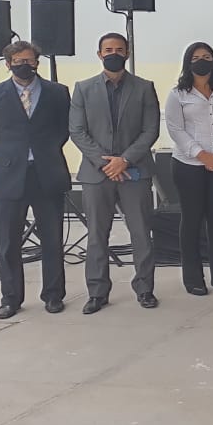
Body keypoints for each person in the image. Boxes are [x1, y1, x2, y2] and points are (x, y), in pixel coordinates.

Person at [0, 40, 71, 319]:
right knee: (8, 243)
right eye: (18, 62)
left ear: (37, 62)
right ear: (8, 64)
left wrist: (44, 153)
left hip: (47, 173)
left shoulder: (57, 92)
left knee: (52, 239)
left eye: (29, 61)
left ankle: (53, 295)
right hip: (9, 176)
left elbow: (63, 130)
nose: (24, 66)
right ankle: (10, 298)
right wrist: (10, 157)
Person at [68, 32, 162, 314]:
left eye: (119, 49)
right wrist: (106, 163)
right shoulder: (83, 89)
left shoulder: (144, 87)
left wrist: (125, 160)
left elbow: (150, 130)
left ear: (127, 53)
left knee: (141, 234)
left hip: (135, 172)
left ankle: (144, 289)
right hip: (96, 174)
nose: (113, 54)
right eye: (108, 50)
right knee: (97, 235)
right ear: (99, 54)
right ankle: (97, 293)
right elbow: (77, 130)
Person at [164, 41, 213, 295]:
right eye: (197, 57)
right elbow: (175, 129)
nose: (202, 61)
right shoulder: (178, 94)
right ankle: (193, 278)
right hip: (188, 165)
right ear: (188, 62)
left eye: (207, 57)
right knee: (191, 220)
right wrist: (202, 155)